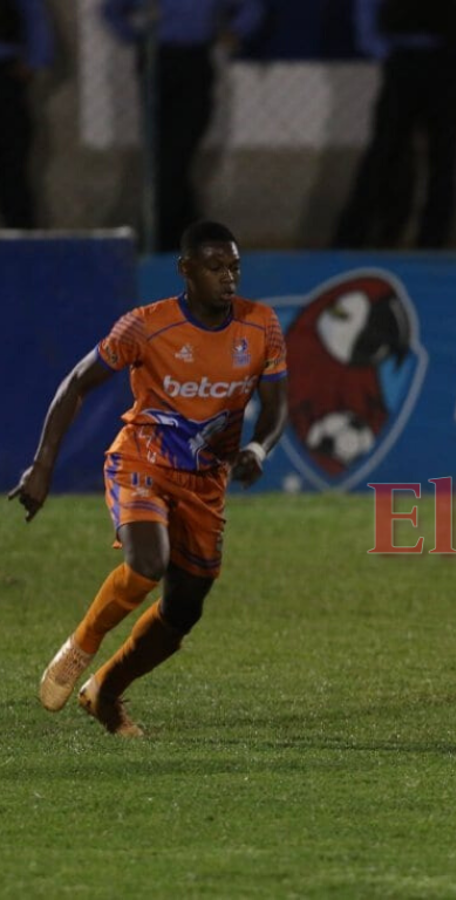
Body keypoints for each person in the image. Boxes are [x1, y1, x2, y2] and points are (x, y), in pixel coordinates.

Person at [9, 220, 288, 737]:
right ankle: (80, 647)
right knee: (147, 563)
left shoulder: (262, 326)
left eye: (234, 267)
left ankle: (105, 694)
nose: (228, 278)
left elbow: (276, 405)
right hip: (143, 461)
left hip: (205, 482)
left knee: (184, 611)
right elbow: (75, 384)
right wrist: (42, 466)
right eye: (214, 267)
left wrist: (257, 447)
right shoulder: (145, 326)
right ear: (186, 271)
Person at [332, 0, 456, 250]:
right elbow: (367, 7)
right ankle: (358, 238)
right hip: (404, 60)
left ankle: (433, 243)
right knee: (384, 152)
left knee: (443, 157)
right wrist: (377, 46)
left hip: (449, 61)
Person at [101, 0, 265, 252]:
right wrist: (135, 37)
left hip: (195, 59)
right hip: (157, 59)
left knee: (178, 152)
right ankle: (178, 235)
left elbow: (251, 8)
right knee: (162, 154)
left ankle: (169, 234)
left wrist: (235, 31)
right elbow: (112, 10)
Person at [0, 0, 54, 228]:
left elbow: (35, 18)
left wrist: (33, 63)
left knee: (10, 167)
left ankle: (22, 239)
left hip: (4, 78)